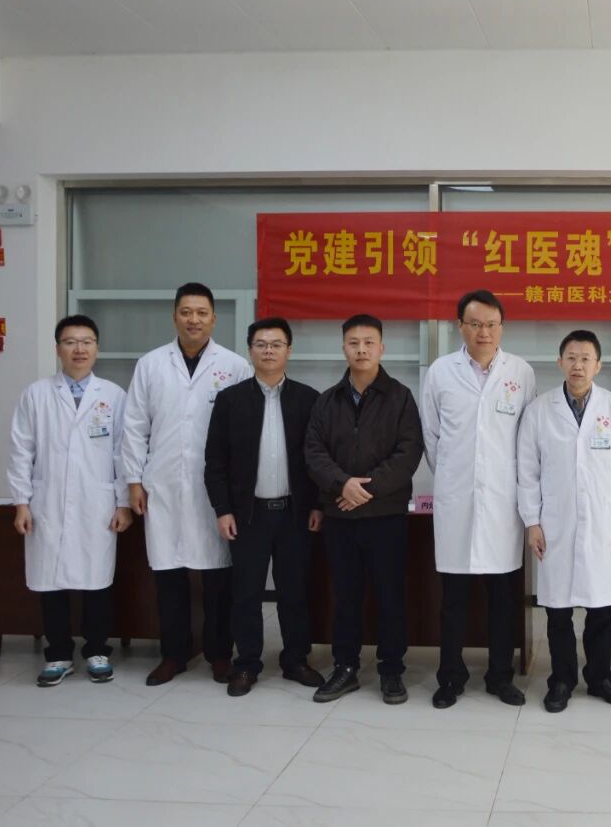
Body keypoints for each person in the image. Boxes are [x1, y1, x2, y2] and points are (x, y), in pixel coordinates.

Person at [122, 283, 252, 686]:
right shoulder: (151, 365)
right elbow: (134, 425)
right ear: (174, 316)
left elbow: (245, 433)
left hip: (216, 491)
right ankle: (173, 655)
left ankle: (219, 654)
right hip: (162, 484)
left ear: (214, 319)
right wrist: (133, 481)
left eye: (201, 313)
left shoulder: (234, 366)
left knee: (218, 578)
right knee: (168, 575)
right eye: (186, 312)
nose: (194, 320)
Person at [421, 290, 535, 709]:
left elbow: (527, 438)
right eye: (474, 324)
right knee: (453, 597)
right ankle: (450, 676)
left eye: (491, 324)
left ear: (501, 327)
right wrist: (457, 476)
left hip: (504, 502)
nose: (483, 332)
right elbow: (432, 435)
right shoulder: (441, 371)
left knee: (503, 597)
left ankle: (500, 676)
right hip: (457, 500)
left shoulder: (520, 372)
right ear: (460, 327)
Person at [518, 330, 611, 712]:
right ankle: (562, 680)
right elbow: (527, 471)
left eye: (586, 358)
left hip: (604, 524)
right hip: (555, 523)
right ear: (560, 362)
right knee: (557, 611)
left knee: (601, 610)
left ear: (598, 365)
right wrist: (532, 522)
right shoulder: (540, 410)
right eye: (571, 357)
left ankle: (600, 678)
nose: (578, 365)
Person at [304, 314, 423, 704]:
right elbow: (314, 452)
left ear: (381, 348)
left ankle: (391, 670)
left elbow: (408, 452)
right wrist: (343, 484)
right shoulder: (327, 401)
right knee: (345, 596)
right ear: (343, 348)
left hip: (386, 515)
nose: (361, 349)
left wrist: (365, 489)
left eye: (369, 342)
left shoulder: (400, 397)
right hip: (340, 517)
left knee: (390, 596)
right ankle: (345, 667)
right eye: (353, 343)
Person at [8, 315, 132, 686]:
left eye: (87, 341)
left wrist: (123, 502)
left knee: (97, 580)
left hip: (98, 502)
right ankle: (59, 654)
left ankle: (97, 650)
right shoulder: (36, 395)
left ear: (97, 348)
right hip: (46, 502)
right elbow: (21, 450)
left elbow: (123, 453)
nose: (79, 349)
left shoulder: (113, 396)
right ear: (58, 348)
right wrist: (21, 502)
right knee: (51, 581)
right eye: (70, 342)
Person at [204, 317, 325, 697]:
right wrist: (223, 509)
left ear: (289, 350)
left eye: (276, 344)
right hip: (248, 515)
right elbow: (215, 461)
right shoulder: (231, 400)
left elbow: (319, 459)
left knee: (295, 592)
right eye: (261, 344)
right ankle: (246, 664)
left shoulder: (308, 399)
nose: (268, 350)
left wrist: (317, 505)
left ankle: (296, 660)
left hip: (294, 513)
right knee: (246, 593)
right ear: (250, 351)